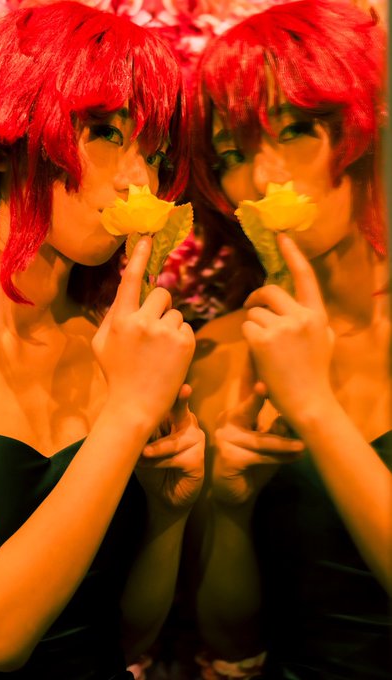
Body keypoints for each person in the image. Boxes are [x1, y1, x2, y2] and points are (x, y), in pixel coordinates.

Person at [0, 2, 205, 677]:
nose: (139, 180)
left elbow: (129, 637)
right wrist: (127, 413)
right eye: (106, 134)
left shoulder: (114, 345)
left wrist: (167, 513)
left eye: (154, 153)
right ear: (9, 132)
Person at [187, 1, 391, 678]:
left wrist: (315, 410)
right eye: (233, 154)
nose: (263, 178)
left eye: (297, 129)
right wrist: (231, 511)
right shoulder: (222, 354)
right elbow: (230, 641)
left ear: (368, 127)